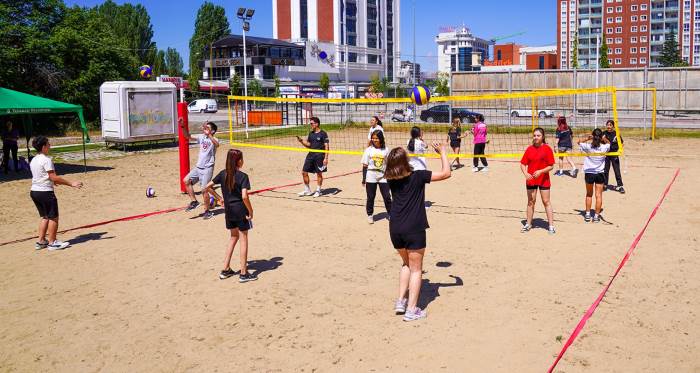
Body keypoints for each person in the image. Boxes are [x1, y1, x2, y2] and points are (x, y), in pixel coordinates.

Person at [384, 142, 451, 322]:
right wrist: (442, 152)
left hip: (395, 227)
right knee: (416, 270)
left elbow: (393, 164)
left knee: (406, 263)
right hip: (414, 228)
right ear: (405, 162)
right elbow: (446, 173)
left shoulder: (390, 178)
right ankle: (411, 310)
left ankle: (401, 301)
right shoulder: (418, 176)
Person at [205, 149, 257, 282]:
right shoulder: (243, 176)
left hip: (229, 211)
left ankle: (225, 269)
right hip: (240, 210)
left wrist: (219, 198)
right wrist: (250, 211)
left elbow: (207, 186)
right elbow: (244, 196)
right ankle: (244, 273)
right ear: (239, 161)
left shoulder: (223, 174)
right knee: (243, 238)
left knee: (233, 237)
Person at [29, 136, 83, 250]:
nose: (50, 146)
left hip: (34, 191)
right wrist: (71, 183)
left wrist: (52, 181)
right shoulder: (46, 160)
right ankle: (52, 242)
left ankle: (41, 241)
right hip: (45, 192)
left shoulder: (34, 159)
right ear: (43, 146)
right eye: (48, 144)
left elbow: (42, 176)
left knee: (45, 216)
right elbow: (54, 177)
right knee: (54, 217)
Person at [181, 120, 223, 219]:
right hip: (198, 167)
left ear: (212, 131)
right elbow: (187, 136)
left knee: (204, 190)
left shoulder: (214, 138)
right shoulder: (201, 137)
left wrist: (209, 135)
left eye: (208, 128)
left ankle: (207, 212)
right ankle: (194, 201)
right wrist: (182, 127)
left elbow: (217, 144)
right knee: (186, 180)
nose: (205, 128)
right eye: (205, 127)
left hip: (207, 168)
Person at [520, 127, 556, 234]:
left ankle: (551, 226)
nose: (536, 137)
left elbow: (551, 166)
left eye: (538, 135)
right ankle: (528, 224)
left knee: (546, 202)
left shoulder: (547, 149)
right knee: (531, 202)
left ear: (542, 137)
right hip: (531, 179)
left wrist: (540, 171)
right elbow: (522, 164)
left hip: (544, 179)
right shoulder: (529, 149)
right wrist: (526, 173)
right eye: (534, 135)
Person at [578, 128, 611, 223]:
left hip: (589, 173)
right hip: (600, 173)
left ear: (593, 136)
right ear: (600, 137)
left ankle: (587, 215)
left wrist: (588, 138)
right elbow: (609, 143)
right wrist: (604, 139)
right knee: (598, 195)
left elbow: (578, 142)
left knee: (589, 194)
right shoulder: (604, 147)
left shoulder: (588, 146)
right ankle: (596, 216)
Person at [362, 130, 392, 224]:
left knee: (387, 196)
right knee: (371, 197)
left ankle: (391, 214)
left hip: (383, 175)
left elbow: (389, 163)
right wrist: (364, 179)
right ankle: (370, 215)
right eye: (373, 138)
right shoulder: (368, 150)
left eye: (376, 138)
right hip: (371, 175)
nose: (374, 140)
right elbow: (365, 165)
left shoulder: (386, 149)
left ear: (381, 138)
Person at [296, 117, 329, 198]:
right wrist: (301, 141)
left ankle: (318, 190)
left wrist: (326, 158)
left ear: (316, 124)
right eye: (310, 123)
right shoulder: (311, 133)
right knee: (304, 172)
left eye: (312, 123)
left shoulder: (323, 133)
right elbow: (309, 145)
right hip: (310, 155)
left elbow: (327, 146)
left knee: (319, 174)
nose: (310, 125)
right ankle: (307, 190)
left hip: (319, 156)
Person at [603, 119, 625, 193]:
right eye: (607, 125)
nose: (608, 126)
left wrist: (620, 150)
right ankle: (605, 184)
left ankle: (620, 185)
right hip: (606, 154)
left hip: (614, 154)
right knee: (605, 170)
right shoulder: (604, 133)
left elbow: (621, 143)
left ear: (613, 126)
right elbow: (599, 142)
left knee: (617, 170)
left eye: (610, 125)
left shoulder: (616, 134)